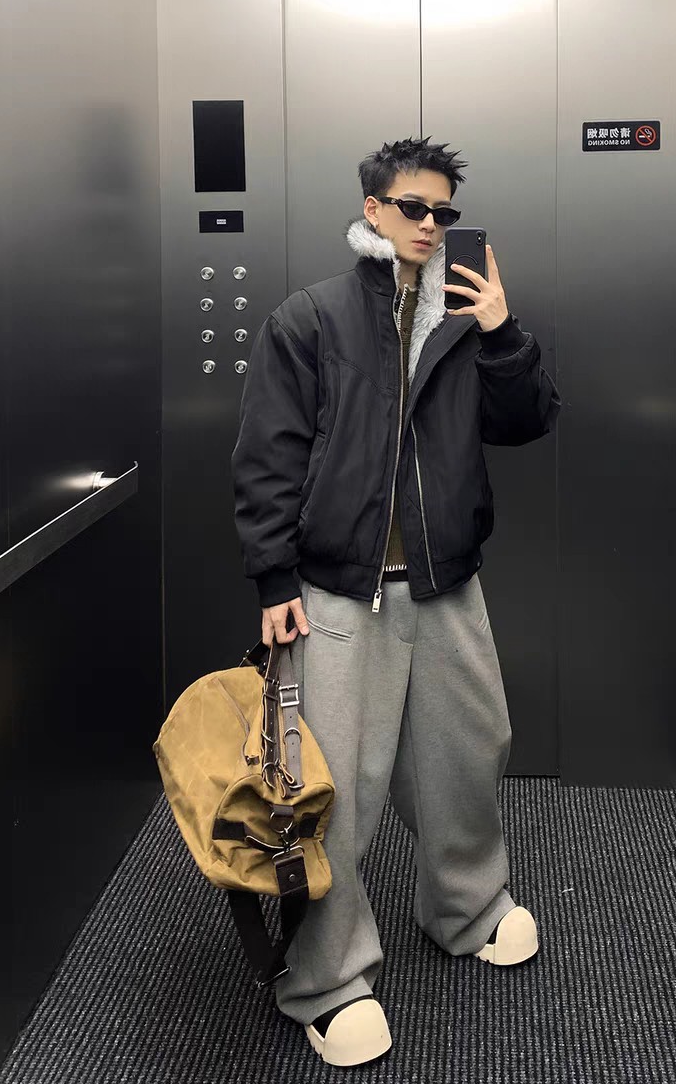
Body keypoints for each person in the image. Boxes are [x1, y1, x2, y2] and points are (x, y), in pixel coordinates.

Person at [230, 135, 562, 1067]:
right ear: (373, 209)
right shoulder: (313, 318)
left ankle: (468, 908)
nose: (429, 224)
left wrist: (501, 331)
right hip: (338, 592)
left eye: (443, 212)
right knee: (334, 791)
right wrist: (273, 578)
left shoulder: (464, 317)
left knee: (467, 757)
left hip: (446, 582)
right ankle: (326, 978)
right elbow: (267, 454)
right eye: (413, 207)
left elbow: (529, 420)